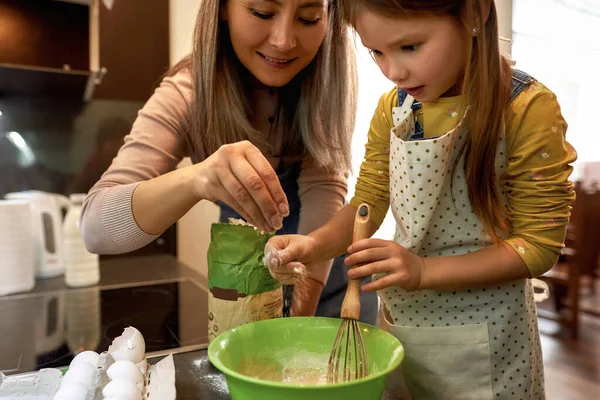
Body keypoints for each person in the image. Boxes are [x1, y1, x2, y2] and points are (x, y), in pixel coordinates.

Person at [265, 0, 577, 398]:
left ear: (475, 14)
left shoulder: (526, 109)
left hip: (490, 340)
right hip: (406, 326)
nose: (393, 71)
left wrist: (424, 271)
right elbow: (369, 200)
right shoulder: (393, 108)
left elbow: (537, 247)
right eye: (375, 51)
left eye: (410, 47)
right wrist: (312, 245)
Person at [80, 0, 380, 321]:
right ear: (223, 8)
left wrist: (295, 327)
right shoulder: (189, 92)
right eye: (262, 13)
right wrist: (197, 180)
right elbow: (95, 228)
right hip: (243, 275)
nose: (283, 40)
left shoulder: (325, 81)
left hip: (328, 279)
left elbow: (323, 191)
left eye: (309, 19)